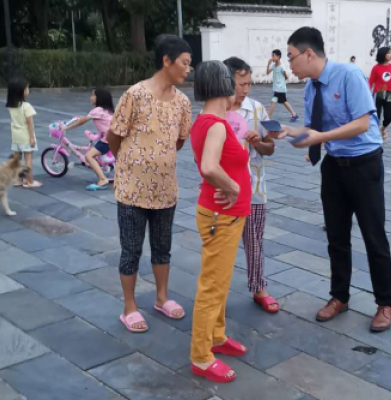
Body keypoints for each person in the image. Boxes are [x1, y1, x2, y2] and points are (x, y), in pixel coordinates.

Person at [272, 27, 391, 332]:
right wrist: (288, 133)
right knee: (336, 237)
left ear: (308, 53)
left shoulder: (348, 75)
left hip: (365, 164)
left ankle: (386, 303)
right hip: (334, 167)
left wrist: (321, 137)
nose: (289, 64)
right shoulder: (310, 89)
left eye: (291, 57)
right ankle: (339, 296)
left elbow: (363, 123)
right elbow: (311, 131)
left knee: (373, 235)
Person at [106, 35, 192, 333]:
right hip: (132, 189)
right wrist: (129, 162)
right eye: (184, 63)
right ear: (166, 61)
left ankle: (161, 298)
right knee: (131, 250)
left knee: (162, 247)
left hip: (165, 189)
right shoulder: (135, 94)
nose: (188, 69)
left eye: (190, 64)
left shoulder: (182, 102)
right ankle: (129, 307)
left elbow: (179, 141)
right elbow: (113, 136)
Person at [189, 60, 251, 383]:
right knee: (212, 286)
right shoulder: (215, 124)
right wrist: (233, 186)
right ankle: (201, 356)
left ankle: (216, 335)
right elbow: (209, 167)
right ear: (223, 84)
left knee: (219, 282)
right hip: (221, 215)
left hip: (223, 214)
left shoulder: (207, 120)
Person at [223, 56, 279, 313]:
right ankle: (217, 291)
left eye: (249, 84)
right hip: (223, 190)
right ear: (226, 81)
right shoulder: (216, 112)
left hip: (254, 188)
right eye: (241, 84)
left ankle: (259, 288)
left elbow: (270, 148)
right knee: (221, 244)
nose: (246, 89)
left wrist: (258, 142)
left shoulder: (257, 109)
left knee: (254, 240)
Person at [62, 88, 114, 191]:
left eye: (93, 95)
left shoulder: (97, 110)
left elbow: (82, 121)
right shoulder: (108, 110)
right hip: (113, 137)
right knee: (96, 152)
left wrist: (66, 127)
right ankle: (103, 174)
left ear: (99, 98)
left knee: (88, 156)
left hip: (108, 139)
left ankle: (103, 179)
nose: (91, 97)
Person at [6, 77, 42, 189]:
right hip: (25, 136)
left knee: (16, 160)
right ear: (21, 91)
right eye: (27, 88)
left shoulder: (11, 106)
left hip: (15, 136)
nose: (28, 90)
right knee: (28, 160)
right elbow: (29, 123)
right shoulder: (26, 106)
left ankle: (17, 180)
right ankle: (30, 181)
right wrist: (32, 138)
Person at [368, 47, 391, 140]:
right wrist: (367, 94)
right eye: (388, 53)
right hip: (378, 93)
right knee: (376, 116)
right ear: (383, 55)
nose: (390, 55)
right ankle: (374, 134)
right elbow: (370, 82)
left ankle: (383, 129)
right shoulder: (376, 68)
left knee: (388, 117)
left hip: (388, 93)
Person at [267, 49, 299, 122]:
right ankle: (294, 114)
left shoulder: (282, 67)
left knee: (274, 101)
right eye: (272, 55)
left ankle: (267, 117)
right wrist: (268, 64)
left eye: (273, 56)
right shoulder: (273, 65)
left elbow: (286, 77)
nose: (272, 57)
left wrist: (281, 82)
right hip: (277, 88)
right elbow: (267, 72)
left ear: (278, 57)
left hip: (280, 88)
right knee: (283, 101)